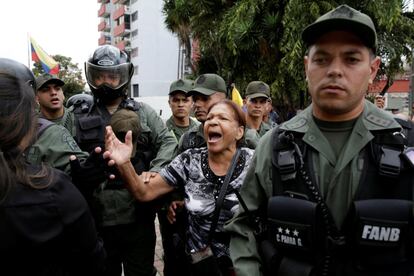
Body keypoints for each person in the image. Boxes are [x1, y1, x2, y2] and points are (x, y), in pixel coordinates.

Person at [226, 4, 414, 276]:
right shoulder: (275, 144)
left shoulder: (405, 145)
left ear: (373, 69)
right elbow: (244, 227)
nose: (335, 71)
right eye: (322, 59)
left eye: (351, 59)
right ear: (307, 66)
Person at [104, 99, 254, 276]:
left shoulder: (254, 163)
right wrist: (124, 163)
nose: (212, 121)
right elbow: (144, 192)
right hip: (201, 265)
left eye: (223, 118)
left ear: (239, 132)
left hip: (243, 266)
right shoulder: (189, 160)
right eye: (210, 117)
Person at [64, 45, 177, 276]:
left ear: (123, 77)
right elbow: (62, 151)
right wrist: (80, 170)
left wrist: (155, 172)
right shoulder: (76, 115)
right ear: (92, 77)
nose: (106, 82)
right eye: (100, 76)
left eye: (112, 77)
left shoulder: (143, 112)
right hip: (97, 215)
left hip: (137, 215)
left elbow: (168, 142)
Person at [0, 58, 106, 275]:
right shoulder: (53, 190)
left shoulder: (63, 128)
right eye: (46, 89)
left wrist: (85, 178)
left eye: (58, 88)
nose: (54, 93)